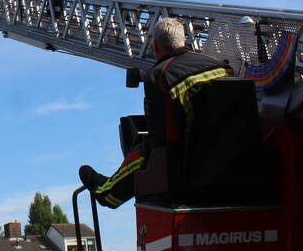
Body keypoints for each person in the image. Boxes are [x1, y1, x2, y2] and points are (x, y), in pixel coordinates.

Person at [79, 17, 233, 209]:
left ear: (156, 46)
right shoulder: (222, 66)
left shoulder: (160, 75)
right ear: (183, 41)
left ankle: (107, 192)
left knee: (146, 153)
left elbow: (160, 138)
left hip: (188, 171)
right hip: (235, 163)